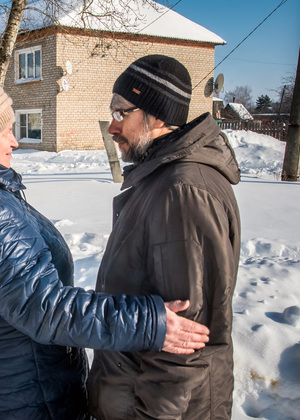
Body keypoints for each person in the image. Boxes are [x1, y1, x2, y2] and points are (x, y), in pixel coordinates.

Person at [0, 81, 210, 419]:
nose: (15, 141)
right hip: (20, 393)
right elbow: (44, 307)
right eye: (6, 131)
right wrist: (145, 323)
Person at [87, 55, 241, 419]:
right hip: (134, 391)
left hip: (155, 407)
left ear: (156, 117)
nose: (112, 126)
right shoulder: (161, 179)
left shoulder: (182, 192)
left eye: (122, 112)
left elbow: (187, 338)